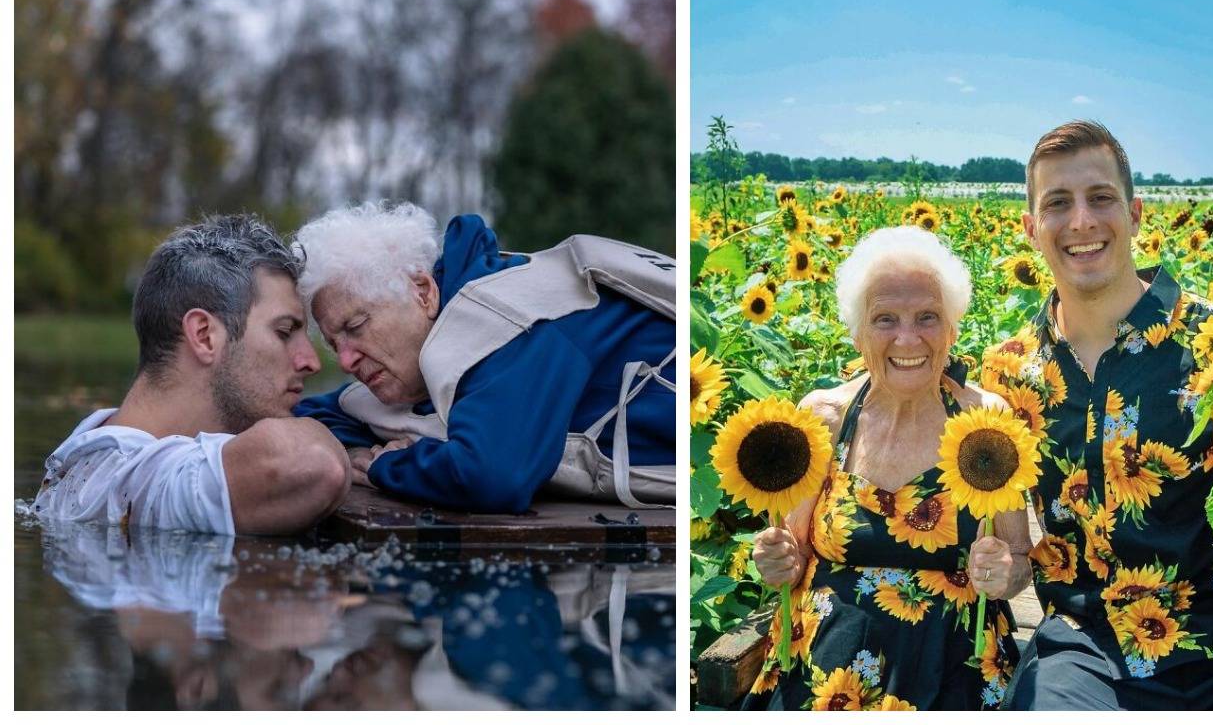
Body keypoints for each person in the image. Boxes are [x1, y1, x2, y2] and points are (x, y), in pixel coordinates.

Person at [995, 121, 1213, 710]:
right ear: (1031, 228)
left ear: (1136, 214)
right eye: (1057, 204)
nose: (1081, 221)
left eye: (1101, 197)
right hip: (1084, 647)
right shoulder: (1008, 373)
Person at [744, 226, 1032, 711]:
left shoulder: (987, 422)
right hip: (825, 673)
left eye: (927, 317)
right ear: (857, 332)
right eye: (884, 319)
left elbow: (1021, 556)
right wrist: (777, 561)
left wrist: (1005, 575)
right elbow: (791, 557)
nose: (907, 337)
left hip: (956, 671)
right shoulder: (823, 419)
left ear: (952, 328)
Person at [292, 202, 675, 513]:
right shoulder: (427, 355)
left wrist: (382, 467)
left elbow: (493, 476)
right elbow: (320, 413)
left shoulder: (510, 320)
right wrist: (357, 449)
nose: (344, 361)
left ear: (423, 292)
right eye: (333, 342)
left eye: (356, 326)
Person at [33, 215, 350, 536]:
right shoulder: (130, 482)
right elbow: (314, 463)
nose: (311, 362)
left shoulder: (92, 453)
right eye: (284, 332)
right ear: (204, 335)